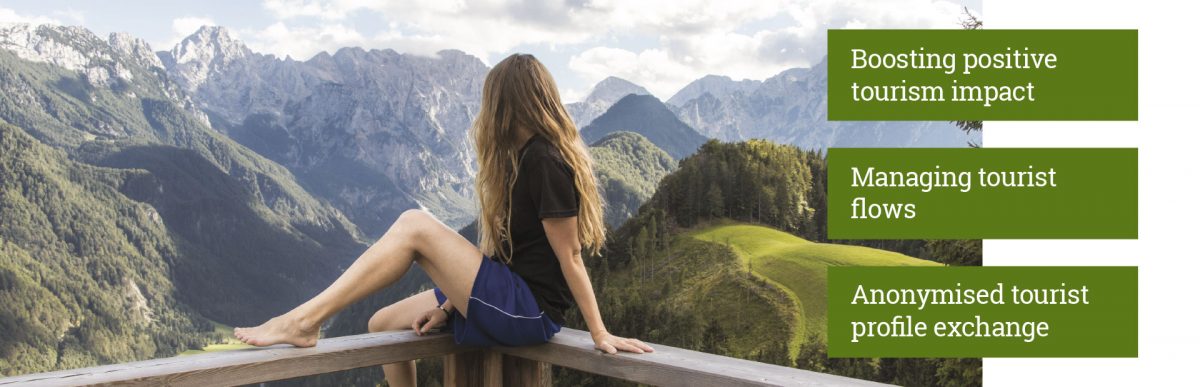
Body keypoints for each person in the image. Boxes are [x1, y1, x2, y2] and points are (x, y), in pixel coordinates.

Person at [233, 53, 653, 386]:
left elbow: (572, 255)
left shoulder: (545, 159)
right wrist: (451, 303)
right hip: (504, 293)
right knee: (382, 323)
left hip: (529, 309)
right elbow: (506, 252)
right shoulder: (523, 159)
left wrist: (600, 333)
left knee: (414, 224)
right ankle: (304, 321)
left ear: (507, 103)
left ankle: (305, 322)